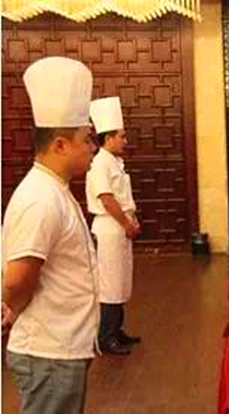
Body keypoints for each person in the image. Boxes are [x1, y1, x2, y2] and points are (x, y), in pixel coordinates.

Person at [2, 57, 99, 414]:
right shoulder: (40, 198)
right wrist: (15, 309)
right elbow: (17, 280)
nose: (93, 147)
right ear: (60, 145)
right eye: (87, 139)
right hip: (48, 350)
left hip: (63, 348)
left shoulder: (55, 189)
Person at [86, 96, 141, 355]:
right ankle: (106, 337)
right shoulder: (99, 164)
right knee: (110, 284)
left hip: (120, 226)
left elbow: (122, 197)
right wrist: (126, 224)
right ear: (108, 138)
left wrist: (132, 221)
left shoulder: (115, 162)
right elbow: (107, 199)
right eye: (122, 136)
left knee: (120, 282)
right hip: (109, 227)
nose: (125, 141)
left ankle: (117, 329)